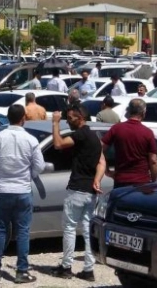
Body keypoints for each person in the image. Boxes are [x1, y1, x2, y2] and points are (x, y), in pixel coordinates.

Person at [0, 104, 44, 283]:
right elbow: (39, 165)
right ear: (23, 118)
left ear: (8, 117)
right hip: (23, 190)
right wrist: (29, 174)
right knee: (23, 231)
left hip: (2, 189)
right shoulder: (31, 140)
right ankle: (22, 271)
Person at [50, 105, 105, 281]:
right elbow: (102, 162)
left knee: (69, 228)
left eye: (70, 117)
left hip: (77, 189)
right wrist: (97, 179)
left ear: (80, 117)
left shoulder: (80, 134)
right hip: (90, 190)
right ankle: (88, 269)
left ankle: (66, 266)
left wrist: (55, 123)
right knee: (87, 230)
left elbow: (58, 144)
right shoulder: (95, 138)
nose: (67, 120)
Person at [101, 99, 157, 188]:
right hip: (142, 183)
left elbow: (99, 148)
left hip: (121, 181)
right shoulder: (148, 132)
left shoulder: (116, 129)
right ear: (143, 112)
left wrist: (107, 170)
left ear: (128, 111)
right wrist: (154, 181)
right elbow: (153, 161)